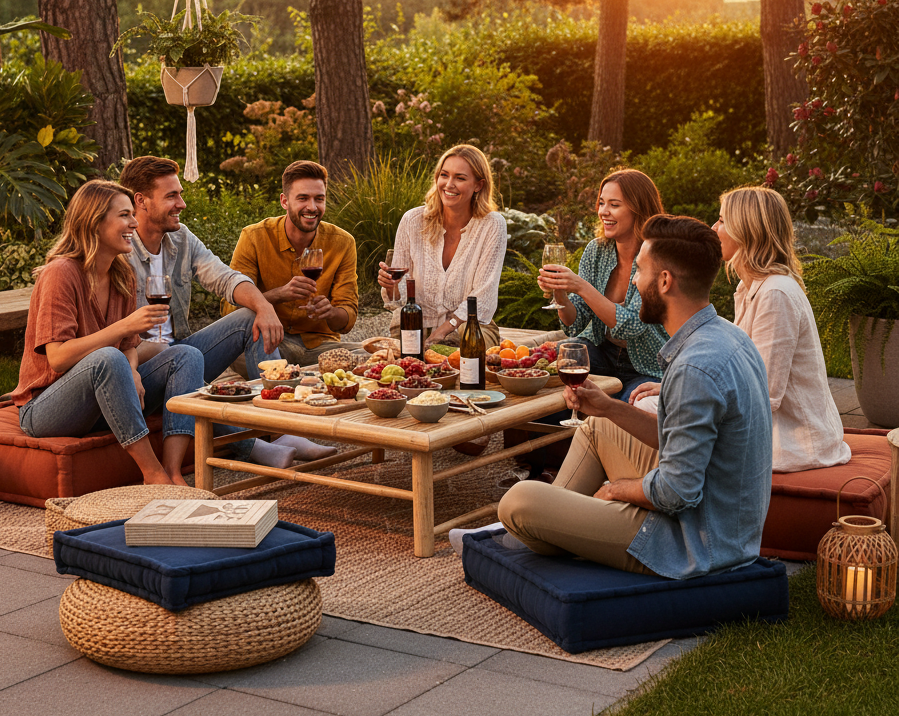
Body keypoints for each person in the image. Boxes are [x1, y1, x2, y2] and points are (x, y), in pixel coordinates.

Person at [492, 215, 773, 580]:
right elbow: (675, 438)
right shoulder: (722, 336)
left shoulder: (695, 367)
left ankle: (543, 528)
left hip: (692, 539)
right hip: (720, 519)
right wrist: (608, 407)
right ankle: (553, 525)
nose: (633, 284)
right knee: (597, 425)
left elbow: (676, 492)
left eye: (639, 271)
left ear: (665, 281)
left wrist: (615, 491)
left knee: (518, 501)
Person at [120, 156, 336, 469]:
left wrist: (263, 305)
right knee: (185, 360)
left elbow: (225, 277)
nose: (181, 203)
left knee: (249, 319)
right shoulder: (120, 250)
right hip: (141, 362)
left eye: (179, 194)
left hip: (180, 350)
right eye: (172, 196)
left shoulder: (180, 239)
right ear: (140, 201)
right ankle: (256, 448)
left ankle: (282, 430)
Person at [631, 186, 850, 473]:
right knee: (649, 405)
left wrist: (685, 398)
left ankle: (657, 492)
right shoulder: (750, 288)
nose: (714, 227)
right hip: (767, 426)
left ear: (747, 229)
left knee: (650, 413)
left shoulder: (776, 293)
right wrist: (671, 388)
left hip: (793, 444)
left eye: (722, 220)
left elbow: (763, 394)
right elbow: (740, 374)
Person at [11, 179, 202, 486]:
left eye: (132, 215)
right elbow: (58, 358)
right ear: (95, 222)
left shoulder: (121, 273)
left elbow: (128, 346)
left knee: (186, 355)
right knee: (107, 358)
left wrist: (133, 372)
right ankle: (152, 475)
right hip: (46, 409)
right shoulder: (60, 273)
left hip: (104, 400)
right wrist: (123, 328)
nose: (134, 223)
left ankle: (173, 470)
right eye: (125, 215)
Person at [539, 169, 669, 402]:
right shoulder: (596, 250)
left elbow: (632, 325)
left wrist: (580, 286)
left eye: (614, 205)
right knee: (555, 357)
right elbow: (574, 324)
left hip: (646, 368)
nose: (603, 212)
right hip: (603, 353)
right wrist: (560, 294)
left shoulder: (658, 256)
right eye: (601, 203)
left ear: (638, 209)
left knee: (633, 406)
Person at [223, 160, 360, 367]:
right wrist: (279, 295)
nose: (312, 207)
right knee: (233, 358)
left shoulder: (343, 242)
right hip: (269, 342)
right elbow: (230, 310)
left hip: (320, 347)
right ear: (284, 201)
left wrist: (330, 312)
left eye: (319, 199)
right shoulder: (254, 237)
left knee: (375, 356)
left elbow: (347, 317)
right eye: (303, 198)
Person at [377, 144, 506, 349]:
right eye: (444, 175)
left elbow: (483, 297)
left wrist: (442, 332)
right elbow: (398, 298)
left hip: (467, 327)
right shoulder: (412, 220)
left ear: (478, 185)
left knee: (465, 349)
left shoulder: (492, 225)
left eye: (460, 178)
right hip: (414, 324)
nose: (449, 184)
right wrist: (392, 287)